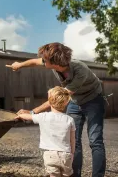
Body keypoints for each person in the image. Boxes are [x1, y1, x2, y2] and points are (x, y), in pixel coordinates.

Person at [6, 42, 106, 177]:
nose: (42, 61)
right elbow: (35, 62)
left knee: (95, 141)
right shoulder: (54, 63)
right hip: (75, 100)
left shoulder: (80, 70)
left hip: (93, 100)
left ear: (54, 62)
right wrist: (19, 65)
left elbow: (58, 98)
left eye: (45, 59)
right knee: (73, 142)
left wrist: (33, 112)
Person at [16, 86, 76, 177]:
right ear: (66, 102)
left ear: (49, 101)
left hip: (50, 155)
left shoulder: (43, 116)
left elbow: (27, 117)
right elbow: (73, 140)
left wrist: (19, 115)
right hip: (66, 155)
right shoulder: (70, 119)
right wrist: (72, 154)